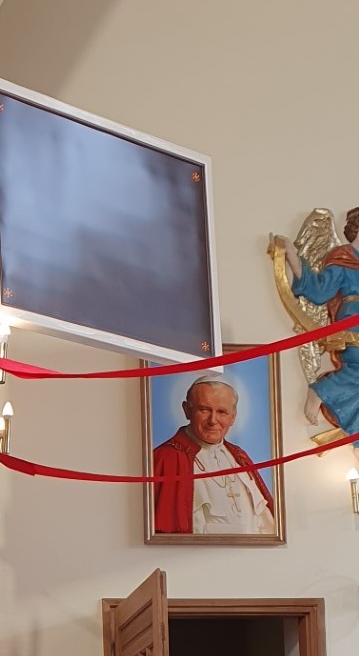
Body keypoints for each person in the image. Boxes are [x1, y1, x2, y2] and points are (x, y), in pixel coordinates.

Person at [152, 376, 274, 536]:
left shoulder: (239, 457)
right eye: (204, 410)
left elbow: (266, 520)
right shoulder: (167, 457)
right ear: (187, 410)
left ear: (233, 417)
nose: (213, 420)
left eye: (222, 412)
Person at [280, 218, 359, 433]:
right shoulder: (344, 257)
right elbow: (320, 291)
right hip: (353, 321)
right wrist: (292, 257)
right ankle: (321, 390)